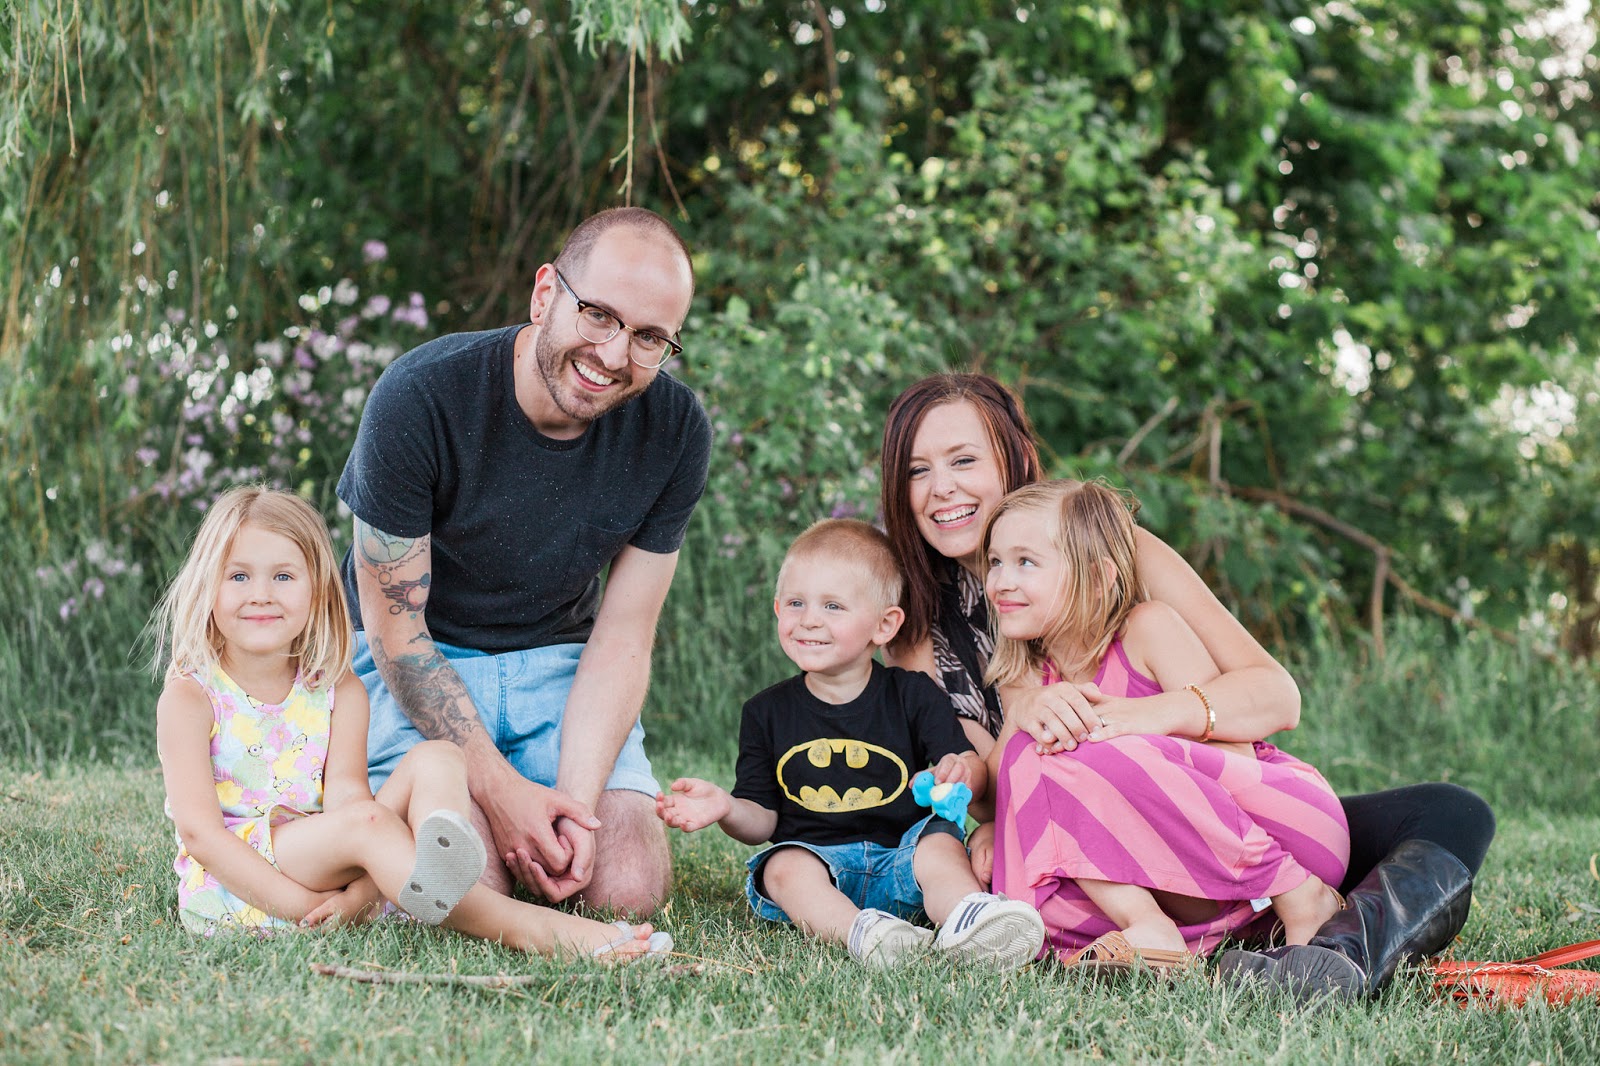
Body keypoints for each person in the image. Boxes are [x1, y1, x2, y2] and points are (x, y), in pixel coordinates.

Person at [879, 373, 1492, 996]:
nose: (941, 487)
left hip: (1208, 806)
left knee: (1451, 812)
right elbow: (991, 786)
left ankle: (1335, 947)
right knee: (1035, 842)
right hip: (1094, 850)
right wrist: (986, 804)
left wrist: (1141, 718)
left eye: (963, 460)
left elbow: (1275, 698)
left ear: (1012, 459)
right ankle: (1272, 946)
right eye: (917, 470)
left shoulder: (1113, 551)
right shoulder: (918, 634)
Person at [337, 207, 712, 915]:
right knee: (466, 887)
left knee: (628, 888)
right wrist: (502, 795)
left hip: (558, 664)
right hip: (424, 658)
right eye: (598, 315)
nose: (614, 354)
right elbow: (397, 635)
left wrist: (574, 806)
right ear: (545, 295)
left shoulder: (676, 430)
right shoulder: (419, 396)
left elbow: (624, 636)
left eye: (648, 337)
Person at [152, 486, 671, 958]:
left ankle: (441, 857)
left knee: (438, 756)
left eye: (283, 576)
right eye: (239, 576)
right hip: (241, 886)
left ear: (317, 592)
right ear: (207, 587)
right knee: (368, 826)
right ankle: (534, 930)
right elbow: (201, 836)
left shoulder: (337, 689)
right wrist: (302, 905)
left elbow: (349, 801)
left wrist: (357, 897)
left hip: (320, 856)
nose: (261, 593)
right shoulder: (191, 698)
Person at [981, 478, 1349, 968]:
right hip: (1192, 884)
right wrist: (1021, 714)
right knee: (1037, 766)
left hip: (1280, 829)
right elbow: (1002, 797)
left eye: (1025, 562)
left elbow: (1234, 759)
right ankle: (1157, 930)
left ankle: (1301, 896)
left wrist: (1126, 741)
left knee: (1069, 749)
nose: (1001, 581)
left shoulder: (1146, 630)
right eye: (995, 562)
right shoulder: (1030, 675)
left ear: (1098, 578)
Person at [655, 519, 1046, 970]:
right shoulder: (765, 712)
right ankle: (865, 935)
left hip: (906, 855)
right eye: (796, 603)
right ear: (778, 609)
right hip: (821, 866)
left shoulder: (913, 694)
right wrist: (726, 807)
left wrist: (958, 771)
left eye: (833, 606)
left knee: (940, 845)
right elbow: (761, 822)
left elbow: (966, 764)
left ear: (884, 624)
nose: (809, 619)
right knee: (782, 867)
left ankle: (967, 917)